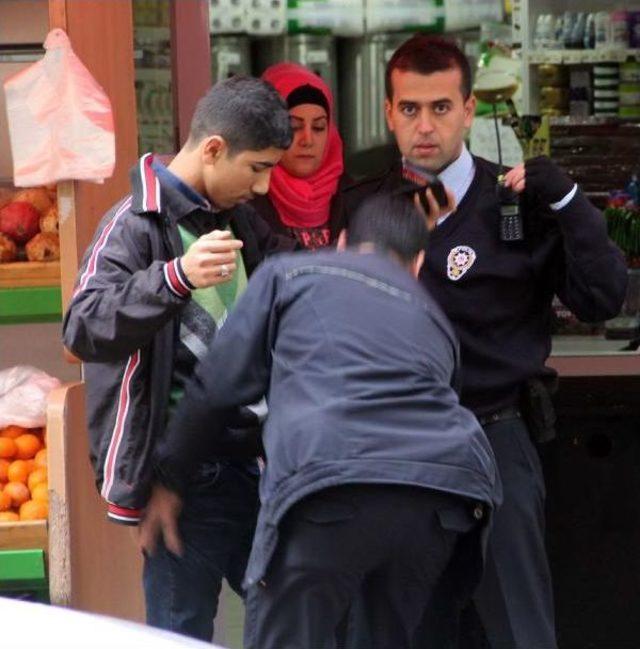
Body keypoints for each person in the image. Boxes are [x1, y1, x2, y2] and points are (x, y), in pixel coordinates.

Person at [344, 35, 628, 649]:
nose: (426, 126)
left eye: (441, 107)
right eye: (411, 109)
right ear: (389, 113)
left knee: (519, 632)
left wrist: (573, 205)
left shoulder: (518, 202)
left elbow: (601, 299)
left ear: (469, 110)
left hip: (494, 435)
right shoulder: (364, 209)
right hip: (396, 446)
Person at [139, 192, 501, 649]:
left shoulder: (290, 274)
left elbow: (217, 385)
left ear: (344, 241)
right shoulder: (432, 315)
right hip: (445, 497)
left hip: (327, 479)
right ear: (418, 263)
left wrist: (169, 479)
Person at [62, 76, 296, 641]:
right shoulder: (133, 224)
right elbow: (82, 327)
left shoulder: (237, 217)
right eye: (258, 168)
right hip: (180, 480)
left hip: (254, 466)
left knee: (295, 622)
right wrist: (176, 278)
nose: (264, 187)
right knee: (180, 634)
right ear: (214, 149)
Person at [251, 62, 349, 249]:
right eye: (294, 127)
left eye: (319, 127)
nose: (308, 140)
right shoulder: (246, 201)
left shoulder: (357, 200)